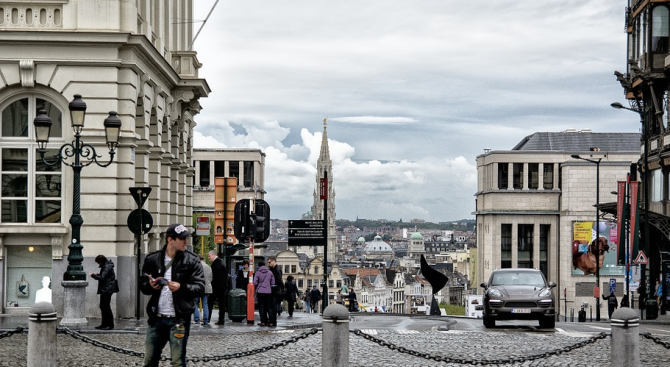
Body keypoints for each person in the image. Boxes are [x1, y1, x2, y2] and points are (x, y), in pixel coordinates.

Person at [140, 223, 205, 367]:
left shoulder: (192, 260)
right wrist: (150, 285)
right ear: (170, 240)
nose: (185, 242)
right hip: (156, 318)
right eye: (182, 239)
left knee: (177, 362)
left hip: (179, 319)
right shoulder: (152, 259)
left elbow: (200, 287)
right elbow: (143, 285)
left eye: (186, 238)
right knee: (149, 361)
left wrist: (181, 287)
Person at [89, 255, 118, 330]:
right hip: (107, 288)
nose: (98, 264)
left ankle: (109, 324)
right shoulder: (107, 266)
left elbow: (102, 277)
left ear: (101, 262)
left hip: (107, 289)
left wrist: (93, 276)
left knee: (105, 307)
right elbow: (104, 276)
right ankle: (104, 323)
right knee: (103, 306)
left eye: (98, 263)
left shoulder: (106, 267)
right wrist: (97, 275)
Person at [207, 250, 228, 326]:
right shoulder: (222, 262)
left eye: (209, 256)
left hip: (216, 287)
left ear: (213, 255)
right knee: (222, 304)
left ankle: (207, 319)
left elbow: (214, 276)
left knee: (210, 303)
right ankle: (221, 320)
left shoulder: (215, 263)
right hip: (223, 287)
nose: (209, 258)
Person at [253, 260, 275, 326]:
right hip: (268, 291)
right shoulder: (270, 272)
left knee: (261, 307)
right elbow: (273, 282)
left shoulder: (258, 272)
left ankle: (263, 321)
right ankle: (271, 322)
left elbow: (255, 282)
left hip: (260, 291)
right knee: (269, 307)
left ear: (259, 266)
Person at [193, 255, 212, 326]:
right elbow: (211, 278)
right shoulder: (208, 267)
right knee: (205, 304)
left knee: (195, 303)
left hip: (198, 288)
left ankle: (197, 319)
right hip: (206, 288)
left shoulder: (196, 267)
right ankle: (206, 320)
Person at [267, 256, 284, 321]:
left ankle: (273, 320)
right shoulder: (273, 269)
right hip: (274, 290)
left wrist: (276, 287)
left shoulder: (276, 270)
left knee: (273, 306)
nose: (269, 264)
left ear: (274, 261)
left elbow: (279, 280)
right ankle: (272, 319)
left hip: (274, 290)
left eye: (269, 262)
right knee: (272, 305)